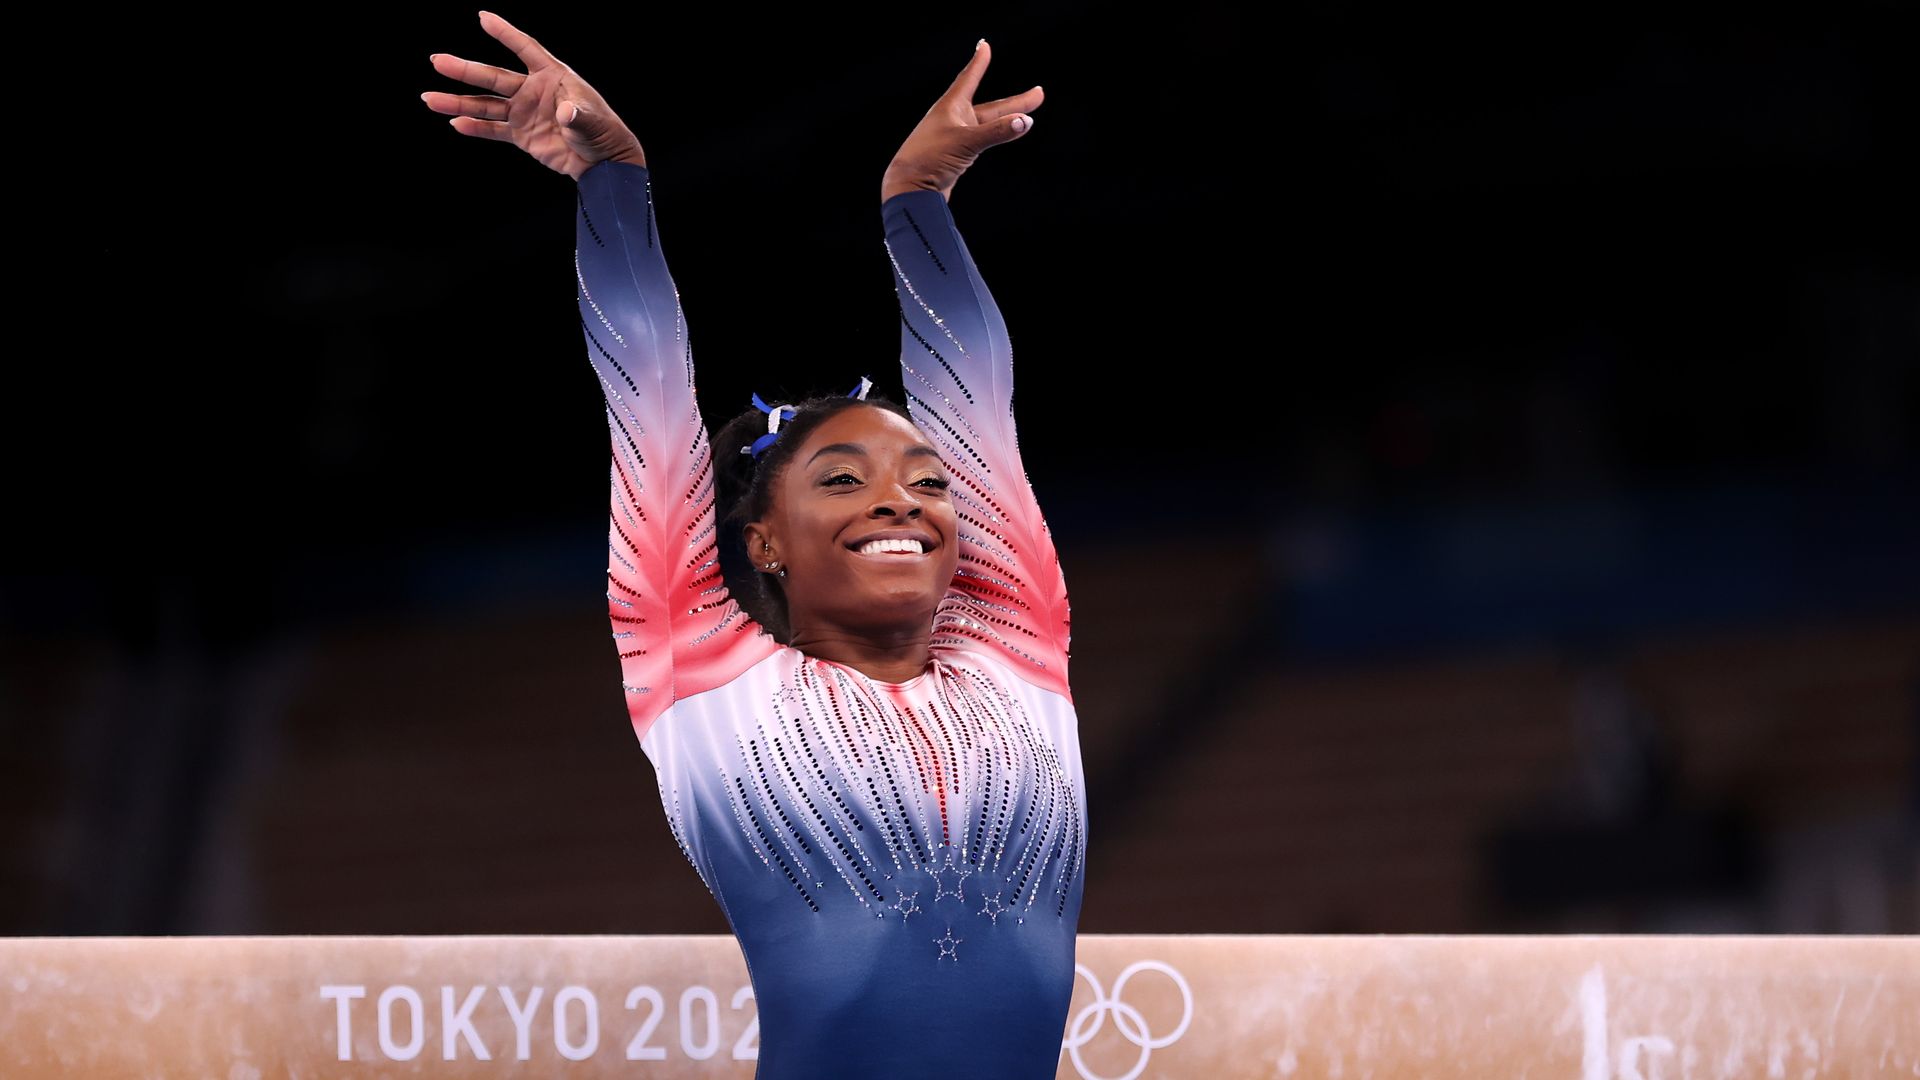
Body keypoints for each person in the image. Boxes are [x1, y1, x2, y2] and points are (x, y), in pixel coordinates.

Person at [423, 13, 1079, 1077]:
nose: (902, 502)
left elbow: (978, 398)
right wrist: (612, 181)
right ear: (764, 542)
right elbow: (645, 384)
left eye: (926, 480)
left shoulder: (1021, 648)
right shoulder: (702, 671)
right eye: (843, 480)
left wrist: (918, 201)